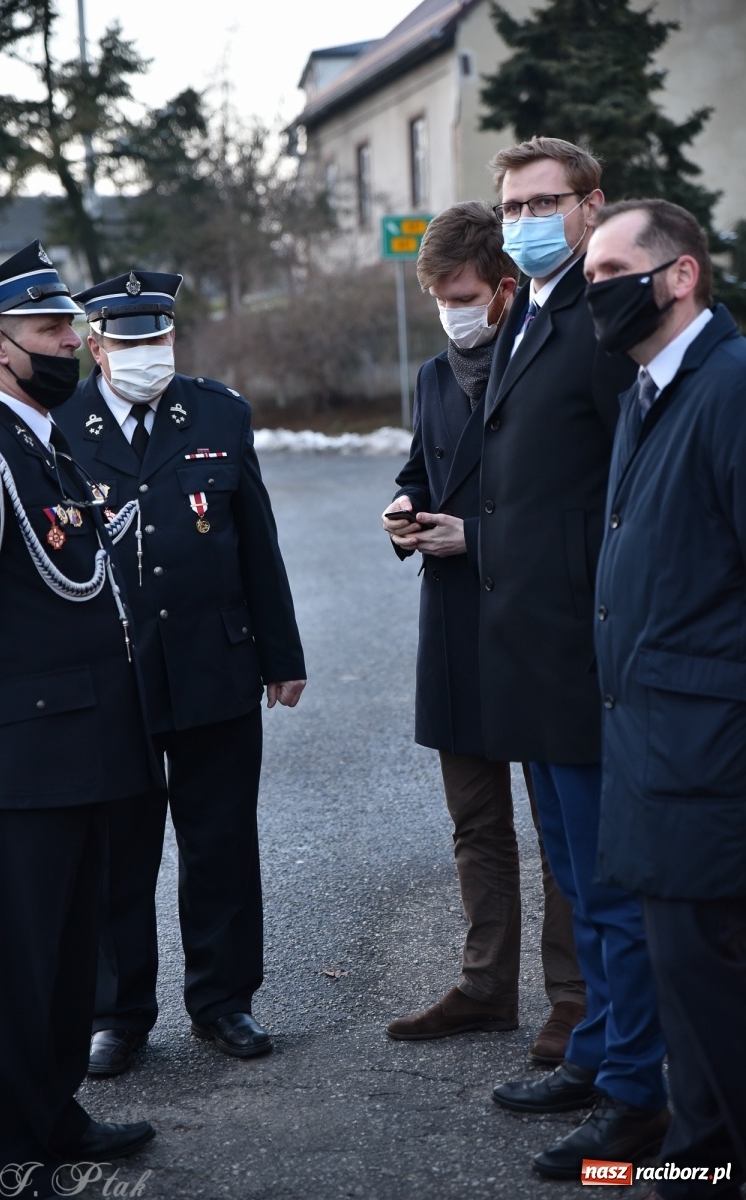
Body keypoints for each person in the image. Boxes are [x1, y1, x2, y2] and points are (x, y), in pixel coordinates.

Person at [0, 242, 157, 1197]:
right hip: (16, 761)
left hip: (80, 747)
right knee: (14, 967)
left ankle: (53, 1109)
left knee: (71, 957)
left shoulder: (40, 437)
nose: (72, 340)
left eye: (70, 324)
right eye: (50, 329)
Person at [58, 270, 306, 1077]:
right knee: (117, 852)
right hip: (113, 676)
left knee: (221, 844)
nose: (146, 356)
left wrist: (281, 654)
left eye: (158, 340)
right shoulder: (60, 422)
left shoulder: (217, 412)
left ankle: (225, 1000)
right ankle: (116, 1014)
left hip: (214, 662)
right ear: (96, 347)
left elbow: (255, 542)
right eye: (129, 344)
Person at [478, 138, 669, 1177]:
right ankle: (596, 1051)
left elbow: (622, 497)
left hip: (585, 655)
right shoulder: (530, 311)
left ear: (592, 207)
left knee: (609, 884)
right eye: (512, 203)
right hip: (533, 655)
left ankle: (638, 1096)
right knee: (571, 872)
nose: (526, 217)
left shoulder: (602, 329)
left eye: (546, 201)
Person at [381, 202, 586, 1062]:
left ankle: (572, 1001)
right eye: (434, 297)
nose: (448, 310)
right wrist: (400, 505)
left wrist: (481, 536)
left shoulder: (548, 362)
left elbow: (583, 505)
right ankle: (483, 986)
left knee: (558, 824)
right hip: (455, 618)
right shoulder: (433, 375)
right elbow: (423, 463)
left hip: (532, 619)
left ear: (505, 289)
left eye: (461, 294)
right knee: (474, 820)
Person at [585, 198, 746, 1200]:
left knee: (713, 988)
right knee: (685, 982)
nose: (591, 292)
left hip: (710, 756)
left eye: (608, 273)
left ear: (678, 275)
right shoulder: (652, 386)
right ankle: (696, 1155)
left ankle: (712, 1169)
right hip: (658, 746)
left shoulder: (729, 388)